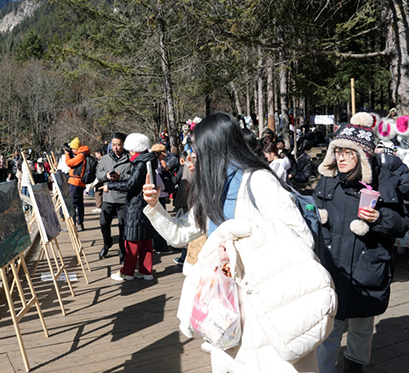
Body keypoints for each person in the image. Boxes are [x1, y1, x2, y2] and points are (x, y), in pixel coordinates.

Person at [142, 112, 336, 372]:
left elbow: (298, 235)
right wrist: (155, 207)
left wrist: (236, 247)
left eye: (196, 147)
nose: (193, 153)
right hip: (224, 305)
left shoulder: (258, 180)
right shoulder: (212, 186)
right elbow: (179, 235)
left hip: (265, 302)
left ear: (213, 145)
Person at [313, 113, 408, 373]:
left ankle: (355, 369)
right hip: (333, 270)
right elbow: (316, 213)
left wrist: (378, 217)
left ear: (363, 155)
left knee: (361, 331)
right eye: (338, 151)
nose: (341, 157)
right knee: (329, 332)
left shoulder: (383, 182)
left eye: (348, 152)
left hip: (368, 270)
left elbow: (401, 223)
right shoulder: (328, 180)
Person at [105, 133, 158, 281]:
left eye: (131, 150)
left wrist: (110, 185)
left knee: (132, 239)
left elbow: (130, 185)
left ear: (136, 149)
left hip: (137, 204)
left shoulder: (140, 163)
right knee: (146, 239)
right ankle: (146, 271)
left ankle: (127, 272)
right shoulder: (149, 160)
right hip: (146, 202)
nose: (129, 153)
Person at [96, 133, 131, 262]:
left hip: (123, 198)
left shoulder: (130, 158)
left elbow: (134, 177)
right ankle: (107, 242)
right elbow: (98, 174)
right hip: (108, 197)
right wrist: (106, 175)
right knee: (103, 222)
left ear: (124, 145)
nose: (115, 147)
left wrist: (120, 176)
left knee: (123, 226)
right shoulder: (105, 158)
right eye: (113, 144)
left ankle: (123, 251)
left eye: (118, 145)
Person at [65, 137, 90, 231]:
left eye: (72, 148)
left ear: (76, 148)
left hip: (75, 182)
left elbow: (69, 163)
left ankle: (73, 225)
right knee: (79, 204)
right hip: (78, 183)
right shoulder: (81, 154)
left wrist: (67, 155)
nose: (71, 150)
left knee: (72, 204)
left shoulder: (80, 155)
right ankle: (79, 224)